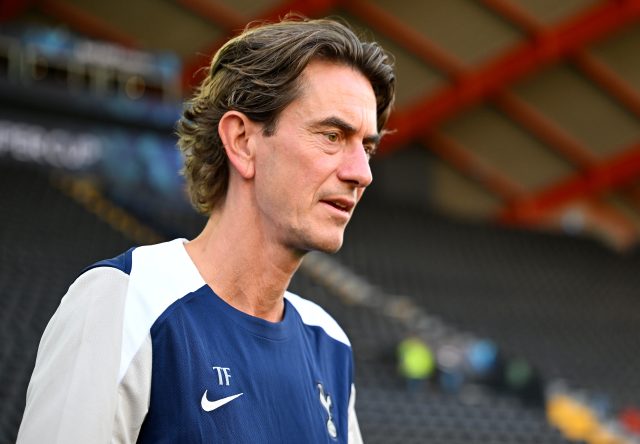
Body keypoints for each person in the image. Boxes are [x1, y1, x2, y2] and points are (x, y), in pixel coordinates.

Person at [17, 15, 395, 444]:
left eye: (367, 147)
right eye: (332, 135)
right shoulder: (126, 299)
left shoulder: (329, 342)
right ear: (242, 141)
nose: (362, 173)